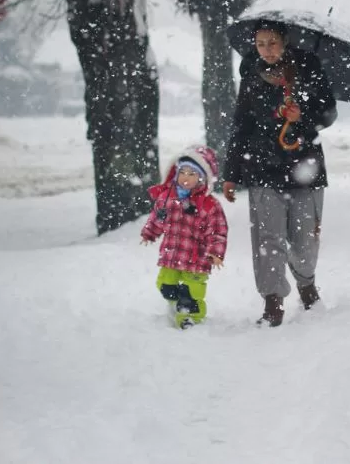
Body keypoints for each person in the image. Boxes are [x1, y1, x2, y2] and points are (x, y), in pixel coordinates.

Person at [222, 20, 338, 327]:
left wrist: (304, 115)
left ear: (284, 42)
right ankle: (272, 301)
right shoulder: (250, 75)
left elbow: (329, 112)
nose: (267, 50)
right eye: (261, 44)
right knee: (267, 238)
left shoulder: (309, 68)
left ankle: (306, 282)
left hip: (305, 167)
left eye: (272, 43)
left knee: (304, 240)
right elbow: (241, 125)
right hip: (263, 169)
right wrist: (231, 172)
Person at [141, 145, 228, 329]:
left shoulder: (209, 204)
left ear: (202, 179)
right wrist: (150, 232)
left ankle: (190, 317)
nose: (185, 178)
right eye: (183, 172)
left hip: (196, 259)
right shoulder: (167, 197)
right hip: (171, 254)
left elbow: (218, 230)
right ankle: (175, 304)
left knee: (192, 292)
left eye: (192, 174)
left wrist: (216, 252)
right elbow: (157, 217)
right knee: (165, 285)